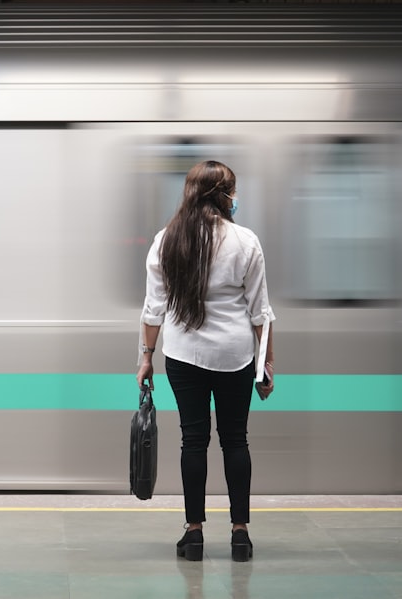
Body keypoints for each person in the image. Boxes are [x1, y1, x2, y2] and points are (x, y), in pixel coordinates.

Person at [136, 160, 275, 563]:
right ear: (226, 195)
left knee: (193, 440)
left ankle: (193, 533)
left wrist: (146, 357)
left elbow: (153, 309)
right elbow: (260, 312)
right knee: (236, 439)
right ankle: (240, 535)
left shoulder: (166, 240)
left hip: (184, 355)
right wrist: (266, 364)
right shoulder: (245, 240)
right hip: (235, 355)